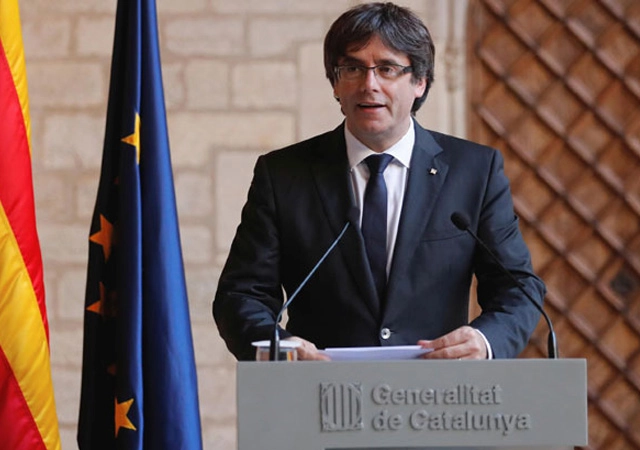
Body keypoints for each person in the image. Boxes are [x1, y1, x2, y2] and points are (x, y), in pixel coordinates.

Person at [213, 2, 546, 361]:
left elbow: (519, 289)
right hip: (318, 386)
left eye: (387, 69)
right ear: (335, 83)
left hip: (438, 386)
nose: (369, 85)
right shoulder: (283, 175)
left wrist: (485, 340)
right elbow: (241, 296)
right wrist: (279, 349)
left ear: (420, 81)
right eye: (352, 68)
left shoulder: (474, 171)